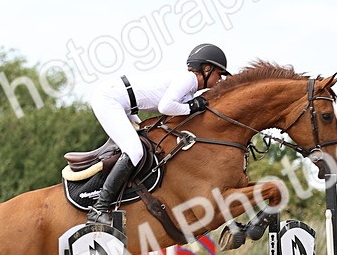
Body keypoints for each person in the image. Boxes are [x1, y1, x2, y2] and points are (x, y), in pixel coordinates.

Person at [84, 43, 229, 225]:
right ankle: (99, 208)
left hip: (125, 105)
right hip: (109, 99)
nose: (220, 79)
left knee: (145, 143)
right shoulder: (189, 79)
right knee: (135, 151)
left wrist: (193, 105)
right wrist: (192, 106)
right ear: (207, 69)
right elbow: (166, 107)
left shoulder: (189, 87)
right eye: (219, 74)